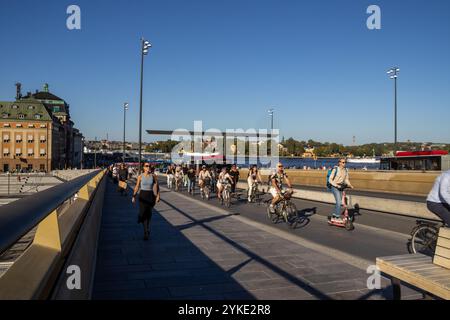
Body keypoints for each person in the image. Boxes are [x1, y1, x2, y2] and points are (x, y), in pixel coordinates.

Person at [132, 163, 160, 240]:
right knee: (143, 213)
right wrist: (134, 196)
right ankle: (145, 231)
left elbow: (157, 186)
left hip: (150, 196)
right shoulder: (140, 176)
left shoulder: (153, 176)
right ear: (143, 168)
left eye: (149, 166)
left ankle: (147, 228)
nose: (148, 167)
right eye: (147, 166)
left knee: (149, 213)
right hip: (142, 196)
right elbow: (137, 186)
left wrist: (158, 196)